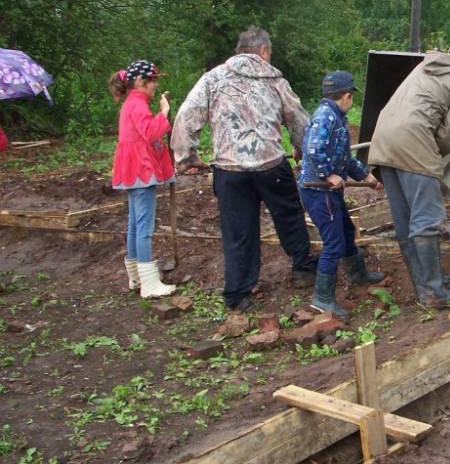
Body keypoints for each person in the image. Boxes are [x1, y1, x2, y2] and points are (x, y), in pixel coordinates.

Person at [171, 27, 318, 313]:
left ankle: (238, 293)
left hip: (229, 170)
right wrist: (301, 148)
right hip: (270, 164)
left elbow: (186, 116)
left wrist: (187, 156)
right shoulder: (274, 78)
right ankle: (303, 267)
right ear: (263, 50)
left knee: (238, 230)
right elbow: (298, 118)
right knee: (288, 215)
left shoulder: (212, 79)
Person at [368, 34, 450, 309]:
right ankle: (434, 294)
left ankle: (425, 285)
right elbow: (448, 136)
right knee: (426, 220)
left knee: (405, 222)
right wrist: (431, 155)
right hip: (413, 142)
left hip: (383, 142)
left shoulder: (430, 63)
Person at [298, 71, 384, 317]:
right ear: (346, 96)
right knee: (333, 243)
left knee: (346, 232)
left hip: (328, 191)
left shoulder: (336, 116)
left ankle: (358, 275)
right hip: (318, 190)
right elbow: (313, 150)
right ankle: (322, 298)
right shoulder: (325, 117)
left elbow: (343, 157)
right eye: (351, 97)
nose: (351, 101)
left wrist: (365, 175)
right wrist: (328, 175)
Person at [109, 60, 176, 298]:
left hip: (132, 169)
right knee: (144, 227)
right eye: (153, 80)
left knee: (135, 224)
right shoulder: (137, 104)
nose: (156, 85)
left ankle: (136, 277)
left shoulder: (132, 103)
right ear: (140, 82)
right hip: (141, 171)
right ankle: (149, 284)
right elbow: (150, 132)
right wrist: (165, 112)